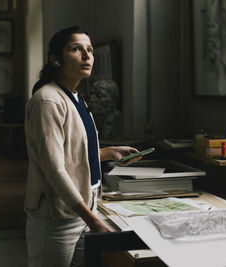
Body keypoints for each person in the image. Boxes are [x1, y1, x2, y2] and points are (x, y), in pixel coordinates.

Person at [24, 26, 141, 267]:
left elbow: (72, 157)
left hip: (82, 209)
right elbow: (55, 169)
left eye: (89, 50)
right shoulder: (48, 100)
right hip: (57, 215)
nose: (87, 56)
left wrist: (108, 153)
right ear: (55, 59)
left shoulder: (75, 96)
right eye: (76, 49)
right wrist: (93, 220)